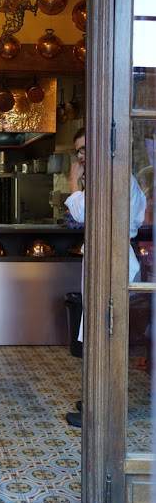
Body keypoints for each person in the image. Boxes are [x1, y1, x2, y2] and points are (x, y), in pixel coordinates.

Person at [64, 127, 147, 427]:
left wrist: (73, 182)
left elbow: (83, 214)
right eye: (79, 152)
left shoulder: (109, 175)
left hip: (111, 259)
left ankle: (102, 412)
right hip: (109, 256)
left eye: (85, 149)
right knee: (102, 335)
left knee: (104, 335)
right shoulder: (113, 174)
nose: (82, 156)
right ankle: (98, 399)